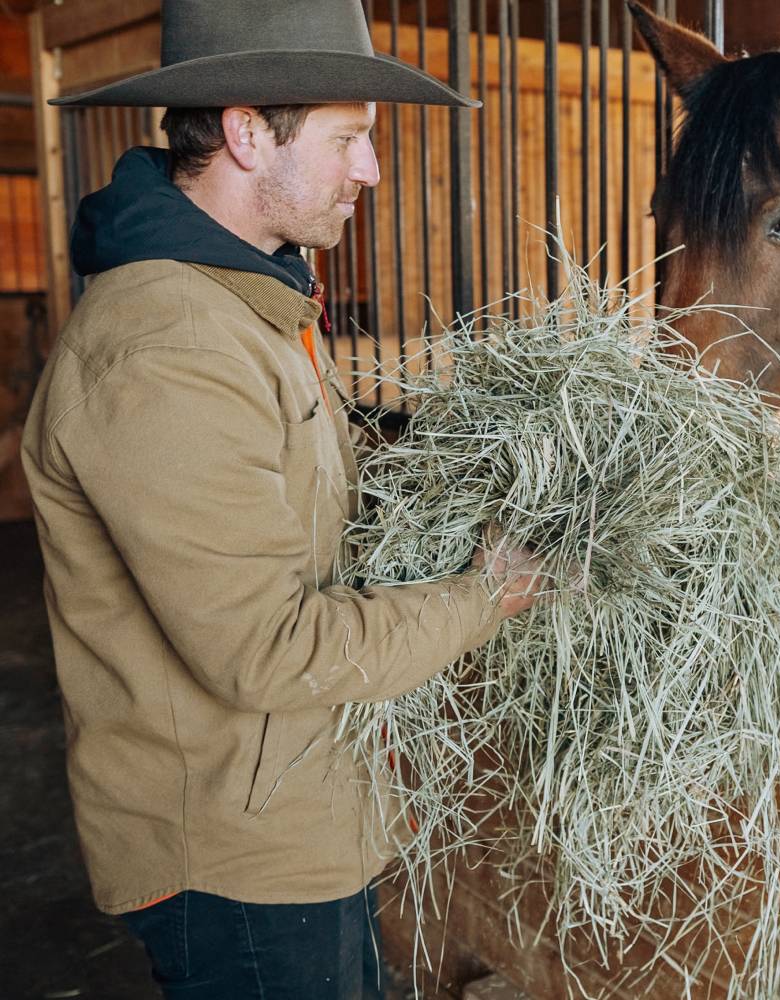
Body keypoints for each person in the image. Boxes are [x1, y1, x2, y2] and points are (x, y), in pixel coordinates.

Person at [21, 1, 543, 996]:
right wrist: (489, 596)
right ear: (248, 131)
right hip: (232, 858)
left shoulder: (246, 303)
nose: (371, 172)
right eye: (349, 139)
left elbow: (299, 518)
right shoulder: (168, 346)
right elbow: (265, 647)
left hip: (294, 810)